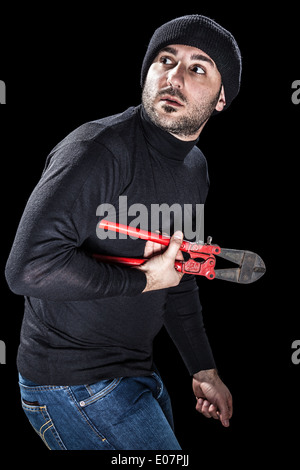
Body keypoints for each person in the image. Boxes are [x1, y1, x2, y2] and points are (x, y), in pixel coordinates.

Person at [5, 15, 242, 450]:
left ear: (221, 98)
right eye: (165, 60)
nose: (174, 76)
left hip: (136, 372)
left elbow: (180, 271)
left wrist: (203, 368)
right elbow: (28, 269)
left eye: (198, 68)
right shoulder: (97, 150)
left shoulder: (195, 169)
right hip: (72, 385)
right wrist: (145, 279)